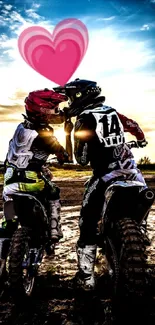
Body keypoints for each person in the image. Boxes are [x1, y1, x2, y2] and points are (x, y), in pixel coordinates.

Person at [54, 78, 148, 290]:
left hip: (106, 176)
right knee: (142, 204)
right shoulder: (112, 111)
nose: (69, 103)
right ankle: (142, 234)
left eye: (70, 97)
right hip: (133, 174)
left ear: (80, 96)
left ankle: (86, 279)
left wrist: (69, 135)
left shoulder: (85, 118)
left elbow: (82, 159)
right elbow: (133, 125)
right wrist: (140, 139)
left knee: (87, 222)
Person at [2, 88, 72, 244]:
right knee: (54, 191)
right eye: (54, 109)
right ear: (43, 110)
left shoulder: (20, 127)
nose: (57, 112)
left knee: (8, 224)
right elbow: (65, 157)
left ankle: (1, 260)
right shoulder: (44, 133)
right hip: (31, 182)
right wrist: (67, 134)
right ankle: (54, 229)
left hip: (9, 182)